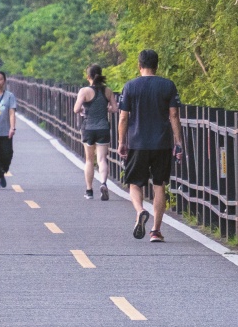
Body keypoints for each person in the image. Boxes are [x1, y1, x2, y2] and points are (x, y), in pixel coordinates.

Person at [117, 49, 184, 242]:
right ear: (157, 65)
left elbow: (123, 117)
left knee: (134, 184)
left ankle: (140, 211)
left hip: (137, 143)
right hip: (161, 143)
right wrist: (178, 142)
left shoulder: (130, 87)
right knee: (159, 185)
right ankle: (155, 230)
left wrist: (122, 142)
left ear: (139, 66)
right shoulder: (167, 86)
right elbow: (174, 116)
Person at [73, 64, 114, 200]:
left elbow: (76, 109)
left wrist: (82, 111)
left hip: (88, 128)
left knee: (89, 160)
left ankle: (89, 191)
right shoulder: (107, 91)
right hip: (103, 128)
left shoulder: (84, 91)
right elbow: (115, 108)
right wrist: (106, 108)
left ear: (88, 76)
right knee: (102, 159)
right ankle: (103, 183)